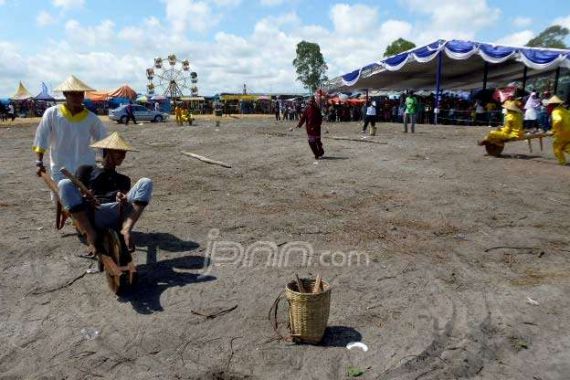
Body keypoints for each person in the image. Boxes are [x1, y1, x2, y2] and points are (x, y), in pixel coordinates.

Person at [58, 132, 153, 256]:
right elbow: (76, 192)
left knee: (146, 182)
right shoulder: (86, 170)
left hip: (115, 213)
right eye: (119, 152)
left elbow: (123, 197)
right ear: (107, 152)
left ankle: (126, 229)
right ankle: (91, 233)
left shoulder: (124, 179)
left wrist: (122, 198)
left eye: (125, 152)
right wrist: (85, 196)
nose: (123, 156)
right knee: (64, 183)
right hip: (90, 212)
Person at [33, 75, 106, 183]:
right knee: (60, 197)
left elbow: (103, 142)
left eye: (80, 94)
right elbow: (41, 137)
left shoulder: (92, 118)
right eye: (73, 94)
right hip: (60, 169)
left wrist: (105, 164)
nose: (77, 97)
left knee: (84, 198)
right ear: (65, 94)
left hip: (85, 168)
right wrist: (39, 162)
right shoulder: (52, 113)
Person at [546, 96, 570, 165]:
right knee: (567, 146)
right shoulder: (564, 110)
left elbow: (557, 120)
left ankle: (562, 162)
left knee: (557, 147)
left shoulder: (555, 111)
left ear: (552, 105)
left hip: (562, 132)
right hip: (569, 132)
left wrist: (554, 130)